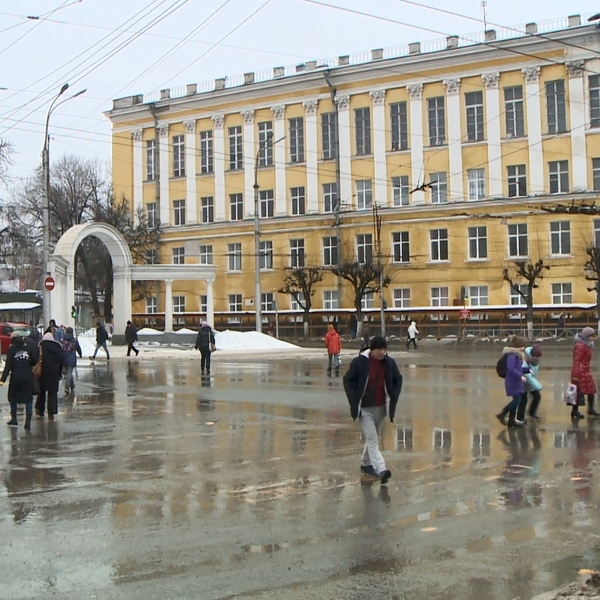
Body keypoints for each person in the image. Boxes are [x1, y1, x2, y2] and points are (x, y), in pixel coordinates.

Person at [343, 335, 403, 484]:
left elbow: (398, 378)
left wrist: (394, 395)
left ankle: (365, 463)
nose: (383, 352)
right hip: (364, 409)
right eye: (379, 349)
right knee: (372, 439)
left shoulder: (389, 363)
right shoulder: (360, 363)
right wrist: (353, 399)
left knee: (373, 437)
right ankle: (381, 469)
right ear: (372, 349)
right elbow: (347, 379)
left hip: (381, 407)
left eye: (384, 349)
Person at [0, 331, 36, 429]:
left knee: (13, 397)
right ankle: (28, 422)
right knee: (28, 399)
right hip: (28, 377)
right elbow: (34, 360)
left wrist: (2, 380)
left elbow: (8, 366)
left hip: (16, 377)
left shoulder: (11, 349)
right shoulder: (27, 348)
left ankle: (14, 419)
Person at [496, 335, 528, 428]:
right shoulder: (512, 355)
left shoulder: (517, 355)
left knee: (517, 400)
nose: (524, 348)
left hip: (516, 381)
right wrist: (520, 376)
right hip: (513, 381)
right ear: (518, 346)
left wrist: (527, 370)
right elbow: (511, 368)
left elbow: (518, 368)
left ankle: (511, 421)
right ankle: (503, 413)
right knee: (517, 400)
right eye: (523, 346)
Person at [570, 327, 599, 420]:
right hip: (580, 371)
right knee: (577, 391)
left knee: (591, 390)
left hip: (586, 370)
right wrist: (576, 374)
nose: (593, 338)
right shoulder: (580, 346)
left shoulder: (587, 344)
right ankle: (575, 410)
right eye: (591, 336)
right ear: (587, 336)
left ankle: (591, 409)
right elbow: (577, 360)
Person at [36, 332, 63, 420]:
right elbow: (61, 362)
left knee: (42, 392)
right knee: (52, 393)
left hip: (43, 373)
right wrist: (59, 373)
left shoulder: (41, 347)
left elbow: (37, 360)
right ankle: (51, 413)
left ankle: (40, 410)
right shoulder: (58, 348)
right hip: (54, 374)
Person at [517, 345, 543, 422]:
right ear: (532, 355)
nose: (538, 358)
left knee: (537, 397)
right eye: (536, 357)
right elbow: (527, 376)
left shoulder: (535, 361)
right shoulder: (526, 361)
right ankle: (520, 417)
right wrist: (537, 386)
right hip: (523, 382)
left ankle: (532, 412)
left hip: (531, 382)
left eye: (539, 357)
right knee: (523, 400)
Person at [61, 326, 82, 395]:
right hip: (71, 358)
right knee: (69, 373)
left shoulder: (62, 340)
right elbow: (78, 348)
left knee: (68, 373)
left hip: (64, 358)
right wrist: (80, 354)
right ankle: (67, 387)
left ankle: (72, 385)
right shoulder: (74, 340)